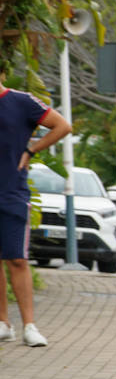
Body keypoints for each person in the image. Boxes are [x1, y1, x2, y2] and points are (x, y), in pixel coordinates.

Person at [0, 86, 71, 348]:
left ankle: (30, 326)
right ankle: (3, 324)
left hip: (11, 193)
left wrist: (31, 151)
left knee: (17, 259)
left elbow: (62, 126)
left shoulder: (20, 101)